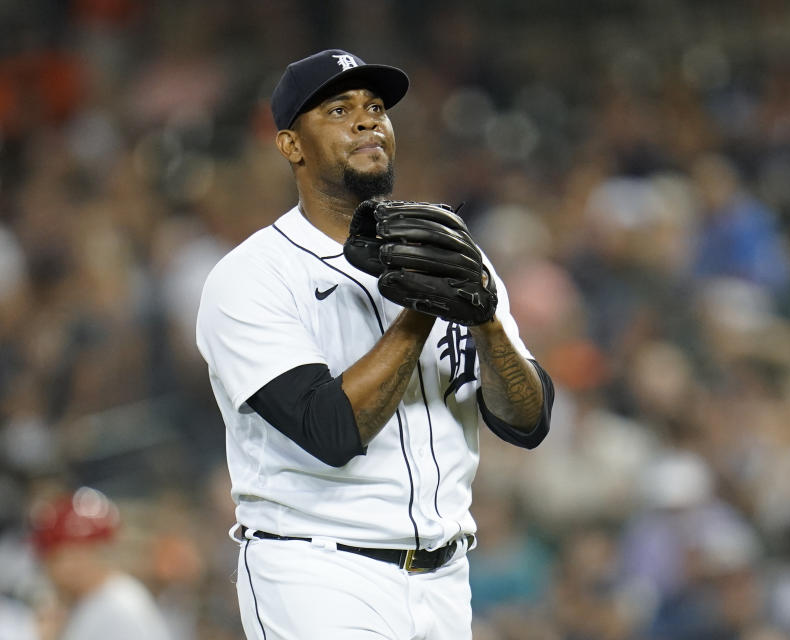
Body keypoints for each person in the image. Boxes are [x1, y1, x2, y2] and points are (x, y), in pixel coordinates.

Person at [195, 48, 554, 639]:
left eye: (376, 107)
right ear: (291, 145)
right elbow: (331, 432)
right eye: (339, 109)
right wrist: (423, 307)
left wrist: (486, 320)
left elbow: (527, 422)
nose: (367, 121)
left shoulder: (453, 253)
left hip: (445, 576)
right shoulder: (252, 277)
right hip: (318, 574)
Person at [28, 487, 172, 640]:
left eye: (53, 557)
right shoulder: (91, 601)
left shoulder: (119, 607)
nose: (48, 569)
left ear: (76, 555)